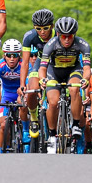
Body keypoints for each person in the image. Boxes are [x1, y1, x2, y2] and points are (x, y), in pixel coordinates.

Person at [38, 16, 92, 154]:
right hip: (54, 72)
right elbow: (42, 68)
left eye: (70, 36)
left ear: (74, 34)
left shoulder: (83, 45)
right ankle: (51, 136)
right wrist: (43, 79)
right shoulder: (51, 44)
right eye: (63, 36)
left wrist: (85, 79)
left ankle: (75, 125)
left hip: (73, 70)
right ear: (58, 34)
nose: (67, 40)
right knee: (53, 102)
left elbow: (86, 68)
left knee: (74, 88)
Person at [20, 8, 55, 139]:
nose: (42, 32)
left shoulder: (59, 34)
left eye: (46, 28)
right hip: (40, 62)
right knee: (32, 90)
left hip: (57, 62)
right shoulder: (30, 36)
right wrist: (22, 84)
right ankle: (34, 119)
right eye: (38, 28)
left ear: (52, 26)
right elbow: (24, 62)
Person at [0, 39, 23, 152]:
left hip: (20, 93)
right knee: (3, 125)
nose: (12, 59)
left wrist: (21, 94)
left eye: (15, 55)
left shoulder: (23, 65)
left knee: (24, 115)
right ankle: (2, 150)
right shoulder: (1, 65)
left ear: (19, 55)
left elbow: (26, 83)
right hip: (6, 95)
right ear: (4, 55)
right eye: (9, 55)